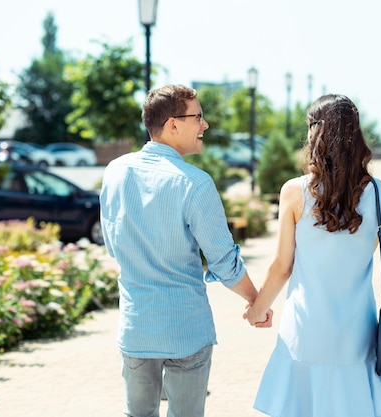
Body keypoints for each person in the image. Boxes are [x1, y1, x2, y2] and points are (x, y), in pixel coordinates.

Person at [100, 84, 272, 417]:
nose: (204, 125)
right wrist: (256, 301)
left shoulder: (115, 172)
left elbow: (112, 245)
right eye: (198, 117)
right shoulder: (194, 183)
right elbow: (224, 262)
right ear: (173, 125)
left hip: (137, 328)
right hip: (186, 331)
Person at [244, 94, 381, 417]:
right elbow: (362, 256)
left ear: (315, 134)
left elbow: (283, 266)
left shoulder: (295, 191)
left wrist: (258, 309)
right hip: (357, 333)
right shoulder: (379, 192)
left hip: (306, 328)